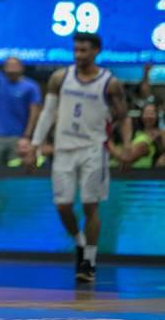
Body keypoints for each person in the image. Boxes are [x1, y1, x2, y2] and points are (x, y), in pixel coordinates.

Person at [30, 33, 131, 283]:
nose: (78, 55)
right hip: (64, 148)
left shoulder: (110, 83)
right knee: (63, 206)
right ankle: (79, 242)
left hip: (93, 149)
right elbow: (48, 113)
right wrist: (35, 144)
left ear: (96, 51)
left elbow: (124, 116)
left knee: (89, 205)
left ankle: (89, 261)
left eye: (83, 51)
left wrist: (125, 146)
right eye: (75, 50)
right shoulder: (60, 77)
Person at [0, 29, 42, 166]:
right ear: (4, 68)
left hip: (18, 137)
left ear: (21, 67)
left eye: (14, 65)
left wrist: (27, 136)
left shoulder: (30, 87)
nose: (11, 68)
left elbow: (34, 113)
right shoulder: (0, 81)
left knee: (16, 169)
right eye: (8, 65)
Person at [110, 103, 161, 169]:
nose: (149, 116)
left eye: (152, 113)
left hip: (139, 175)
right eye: (146, 113)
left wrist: (108, 143)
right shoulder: (135, 134)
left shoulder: (145, 139)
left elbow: (127, 158)